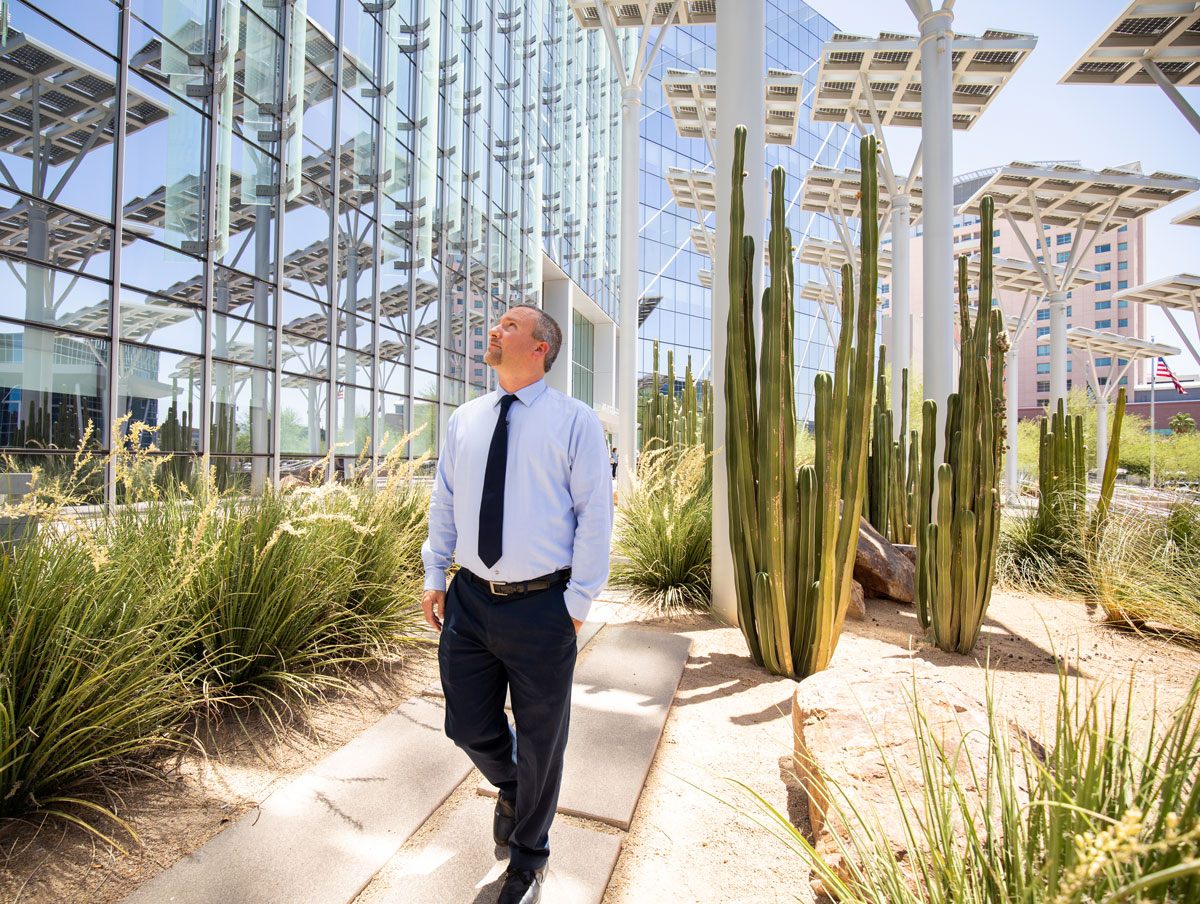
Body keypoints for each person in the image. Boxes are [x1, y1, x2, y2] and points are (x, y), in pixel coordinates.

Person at [421, 304, 612, 904]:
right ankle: (513, 787)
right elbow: (445, 500)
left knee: (541, 738)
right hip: (470, 601)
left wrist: (576, 603)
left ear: (539, 347)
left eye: (508, 324)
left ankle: (528, 861)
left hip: (543, 607)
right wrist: (435, 573)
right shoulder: (466, 419)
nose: (493, 330)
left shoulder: (575, 421)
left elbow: (595, 517)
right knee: (466, 726)